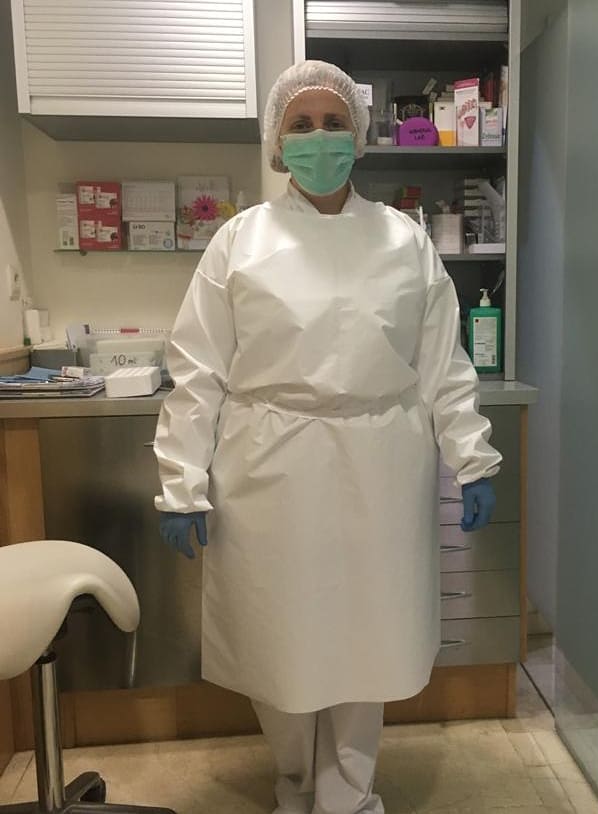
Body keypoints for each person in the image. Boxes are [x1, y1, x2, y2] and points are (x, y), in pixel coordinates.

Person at [154, 60, 502, 814]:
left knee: (364, 637)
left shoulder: (404, 241)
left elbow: (442, 363)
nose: (320, 138)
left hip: (382, 462)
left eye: (334, 122)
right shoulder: (239, 242)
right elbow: (198, 372)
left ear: (359, 133)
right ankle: (295, 780)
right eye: (302, 125)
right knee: (280, 634)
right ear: (278, 142)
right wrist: (181, 483)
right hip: (268, 464)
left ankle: (348, 794)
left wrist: (471, 457)